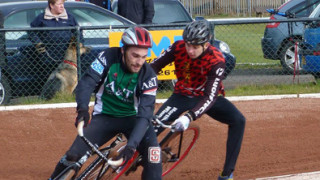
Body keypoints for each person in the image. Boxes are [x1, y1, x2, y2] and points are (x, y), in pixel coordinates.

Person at [48, 26, 162, 180]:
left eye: (143, 57)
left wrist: (132, 146)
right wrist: (82, 110)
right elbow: (88, 82)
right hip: (105, 117)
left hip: (134, 120)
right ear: (123, 50)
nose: (139, 62)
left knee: (154, 156)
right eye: (135, 56)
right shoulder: (107, 57)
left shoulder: (148, 76)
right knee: (73, 156)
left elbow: (145, 115)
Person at [150, 20, 246, 180]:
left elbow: (210, 97)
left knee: (239, 120)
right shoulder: (178, 47)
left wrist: (190, 116)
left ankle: (227, 173)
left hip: (205, 97)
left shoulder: (216, 60)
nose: (190, 50)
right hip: (182, 95)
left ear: (206, 44)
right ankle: (138, 155)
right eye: (188, 45)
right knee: (153, 128)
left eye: (195, 47)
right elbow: (154, 66)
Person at [28, 0, 81, 74]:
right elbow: (31, 32)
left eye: (63, 4)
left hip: (66, 58)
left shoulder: (70, 18)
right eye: (59, 4)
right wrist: (38, 43)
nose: (62, 6)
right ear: (51, 5)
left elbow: (78, 33)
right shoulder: (41, 18)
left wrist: (78, 44)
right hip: (47, 58)